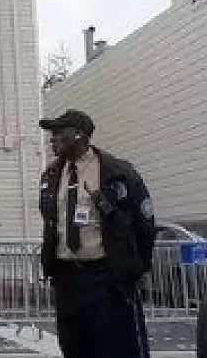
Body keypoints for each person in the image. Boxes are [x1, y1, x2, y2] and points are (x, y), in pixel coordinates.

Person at [39, 109, 156, 358]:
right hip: (67, 279)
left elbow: (144, 225)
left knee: (116, 348)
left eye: (59, 133)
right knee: (75, 347)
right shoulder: (51, 175)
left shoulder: (117, 172)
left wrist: (134, 269)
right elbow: (51, 223)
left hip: (105, 278)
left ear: (79, 135)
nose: (53, 139)